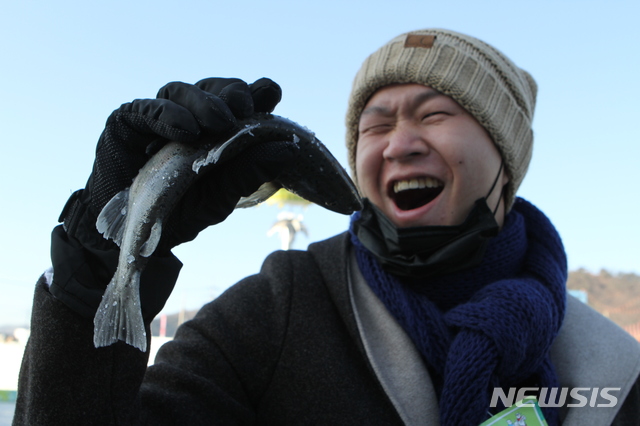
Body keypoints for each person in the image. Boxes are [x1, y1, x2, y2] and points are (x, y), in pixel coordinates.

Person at [13, 29, 640, 425]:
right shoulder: (278, 306)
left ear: (507, 157)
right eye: (374, 125)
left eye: (436, 113)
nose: (399, 144)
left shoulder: (614, 368)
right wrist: (96, 261)